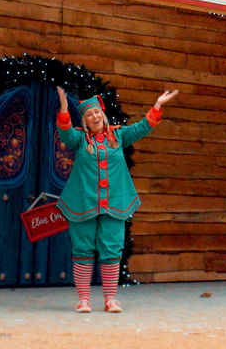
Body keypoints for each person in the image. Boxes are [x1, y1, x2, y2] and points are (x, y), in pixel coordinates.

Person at [54, 86, 178, 313]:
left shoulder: (119, 135)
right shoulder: (79, 138)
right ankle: (83, 300)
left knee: (111, 249)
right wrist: (64, 108)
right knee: (82, 249)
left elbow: (142, 127)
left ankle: (111, 299)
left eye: (97, 112)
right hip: (83, 202)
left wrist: (158, 104)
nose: (94, 117)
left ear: (102, 114)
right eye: (89, 114)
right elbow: (65, 133)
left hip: (114, 202)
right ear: (85, 121)